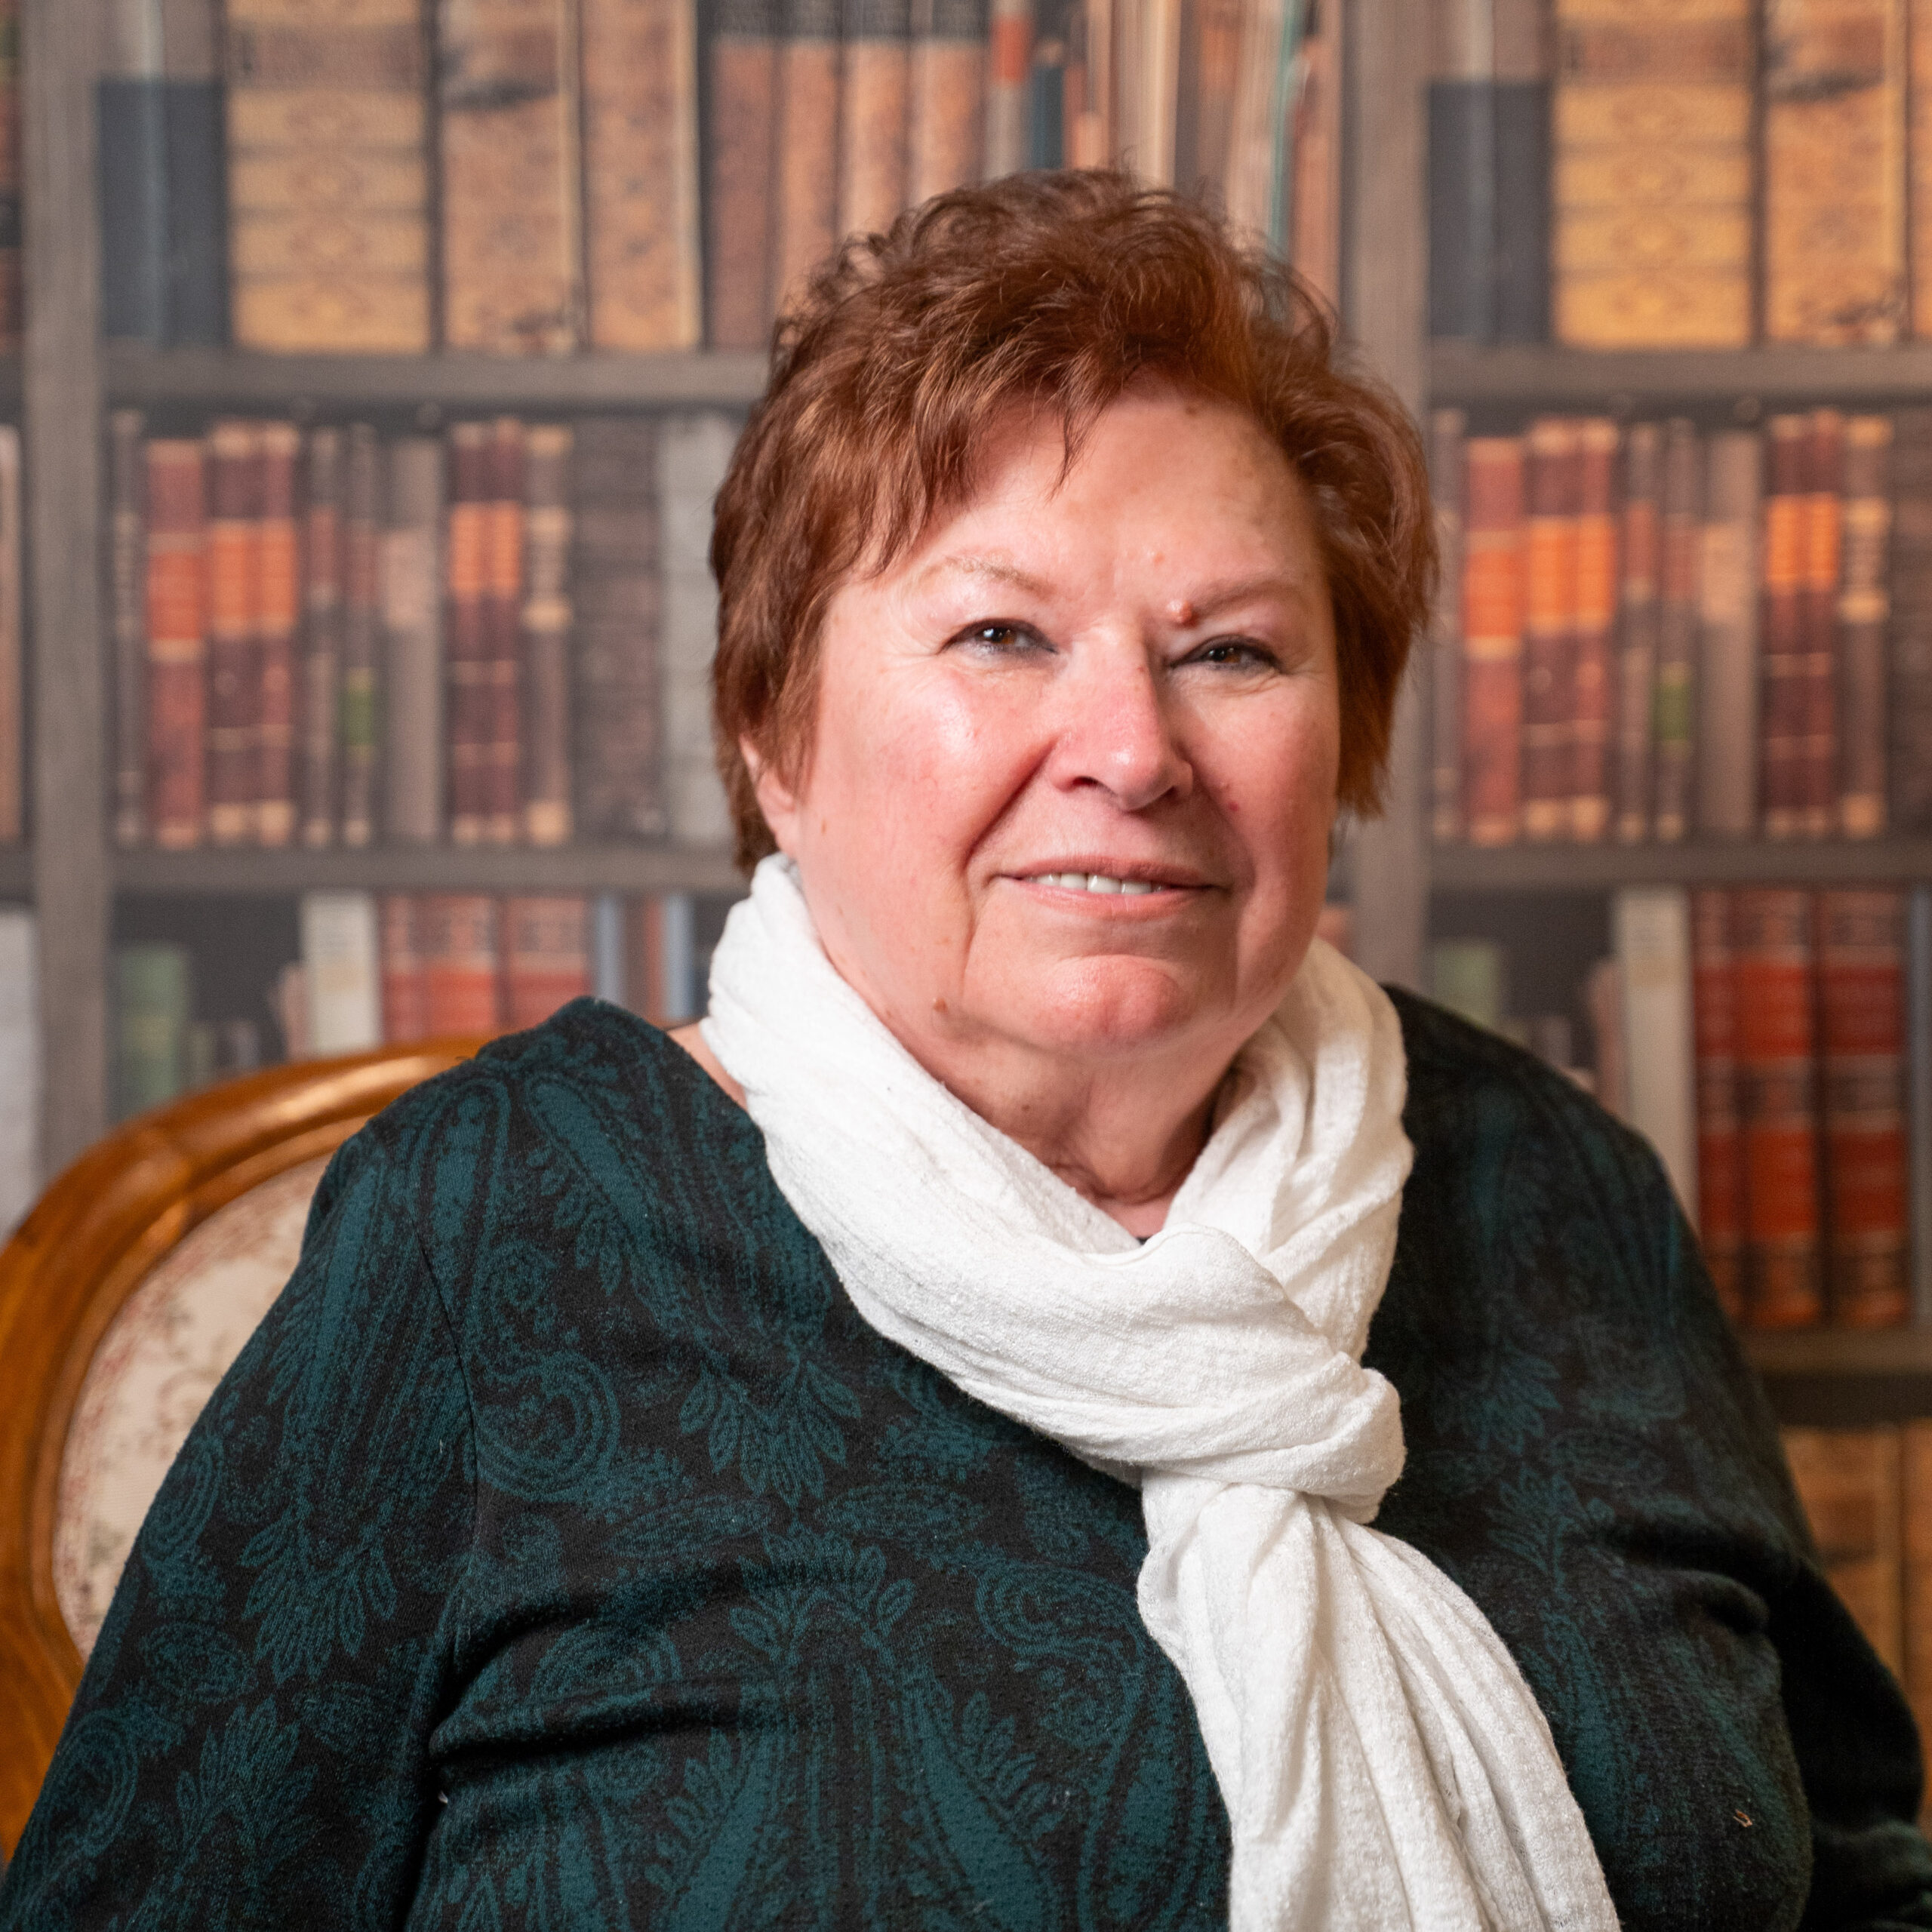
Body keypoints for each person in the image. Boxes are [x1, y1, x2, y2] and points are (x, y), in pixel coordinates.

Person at [3, 171, 1927, 1931]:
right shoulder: (496, 1228)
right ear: (775, 734)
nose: (1132, 749)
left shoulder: (1555, 1184)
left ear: (1341, 744)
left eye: (1233, 650)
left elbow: (1850, 1874)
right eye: (1002, 633)